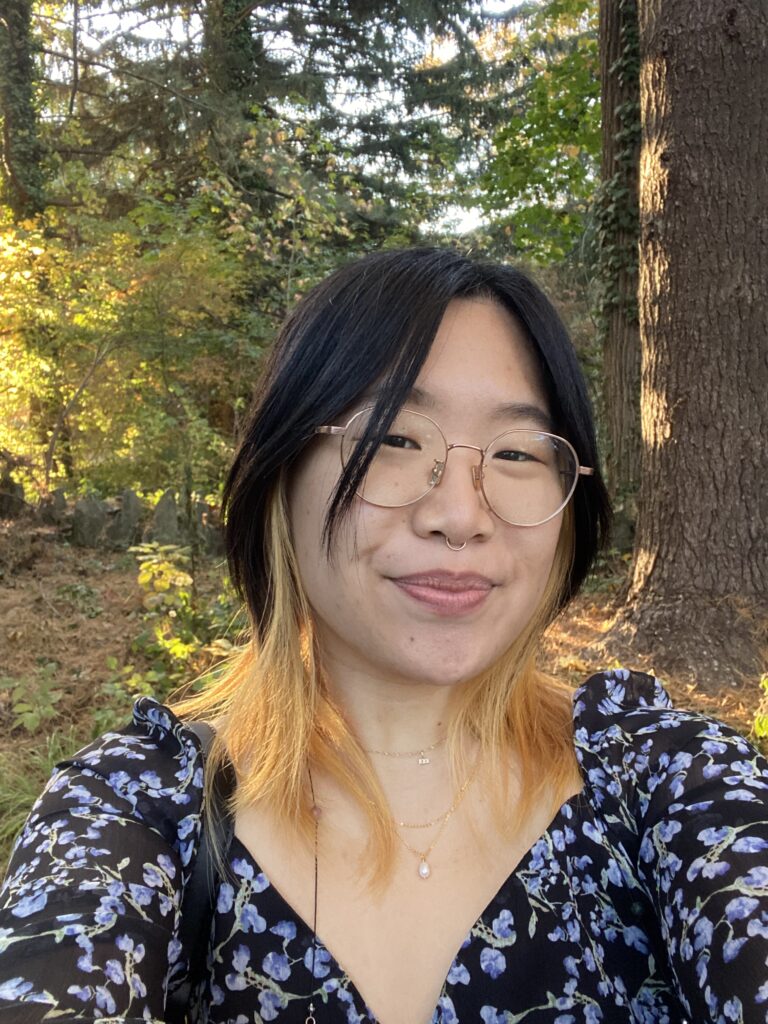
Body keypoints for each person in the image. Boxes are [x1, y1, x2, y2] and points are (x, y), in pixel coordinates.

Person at [1, 247, 767, 1024]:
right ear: (283, 467)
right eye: (395, 441)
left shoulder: (666, 780)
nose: (462, 515)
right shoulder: (137, 813)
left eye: (514, 453)